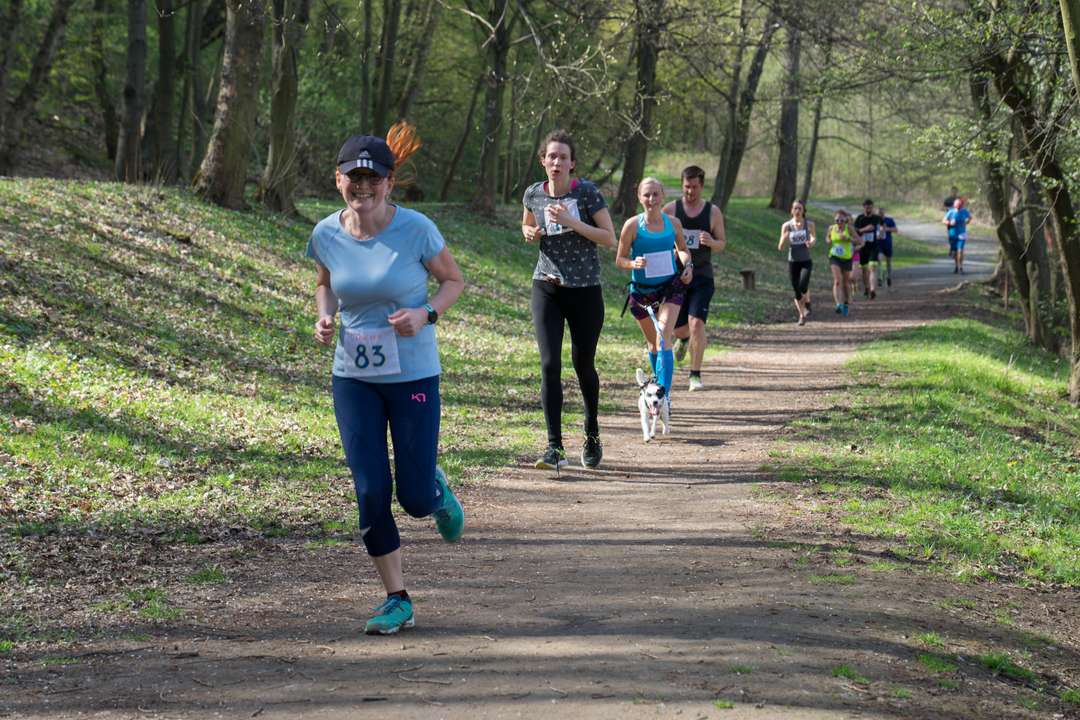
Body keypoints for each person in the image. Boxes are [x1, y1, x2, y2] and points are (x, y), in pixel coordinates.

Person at [308, 123, 466, 636]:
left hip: (413, 373)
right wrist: (325, 315)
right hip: (353, 377)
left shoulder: (416, 230)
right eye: (353, 177)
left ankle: (434, 490)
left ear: (389, 183)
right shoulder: (325, 234)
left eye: (372, 178)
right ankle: (397, 598)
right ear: (338, 180)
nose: (362, 187)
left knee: (413, 499)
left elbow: (453, 280)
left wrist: (426, 314)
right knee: (370, 489)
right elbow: (326, 284)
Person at [521, 130, 616, 471]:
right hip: (547, 286)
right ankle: (554, 447)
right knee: (549, 364)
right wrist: (529, 233)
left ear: (572, 163)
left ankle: (591, 431)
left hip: (585, 290)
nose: (557, 162)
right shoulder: (534, 193)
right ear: (543, 161)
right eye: (552, 156)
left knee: (583, 364)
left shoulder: (587, 193)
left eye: (563, 157)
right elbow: (527, 225)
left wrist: (572, 222)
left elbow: (609, 238)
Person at [618, 177, 693, 404]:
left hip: (670, 287)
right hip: (642, 292)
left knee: (663, 338)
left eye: (655, 194)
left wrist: (688, 265)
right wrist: (633, 263)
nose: (651, 199)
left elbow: (683, 249)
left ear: (662, 196)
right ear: (639, 198)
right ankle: (658, 389)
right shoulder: (632, 225)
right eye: (646, 195)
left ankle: (664, 397)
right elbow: (620, 259)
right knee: (653, 345)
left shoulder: (673, 223)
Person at [663, 165, 726, 391]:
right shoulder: (671, 209)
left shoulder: (712, 212)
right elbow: (659, 236)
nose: (690, 191)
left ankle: (695, 375)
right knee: (679, 329)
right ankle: (683, 340)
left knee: (696, 323)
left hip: (702, 277)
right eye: (687, 187)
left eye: (695, 187)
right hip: (677, 277)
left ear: (702, 186)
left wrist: (711, 242)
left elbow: (722, 243)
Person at [778, 200, 816, 326]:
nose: (797, 211)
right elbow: (780, 247)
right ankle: (801, 315)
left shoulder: (809, 224)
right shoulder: (786, 226)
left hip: (806, 261)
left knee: (803, 285)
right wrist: (784, 238)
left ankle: (807, 303)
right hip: (793, 262)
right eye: (795, 208)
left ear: (803, 210)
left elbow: (813, 237)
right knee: (796, 290)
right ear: (791, 211)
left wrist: (811, 242)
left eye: (800, 208)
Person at [827, 210, 861, 316]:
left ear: (845, 220)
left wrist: (849, 239)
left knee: (846, 283)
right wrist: (828, 241)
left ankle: (846, 303)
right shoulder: (831, 228)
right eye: (837, 220)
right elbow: (827, 238)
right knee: (837, 280)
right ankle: (838, 304)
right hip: (834, 257)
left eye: (841, 220)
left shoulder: (849, 229)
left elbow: (859, 241)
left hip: (846, 258)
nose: (839, 222)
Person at [853, 199, 881, 300]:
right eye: (866, 207)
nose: (868, 209)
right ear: (863, 207)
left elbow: (873, 227)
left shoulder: (876, 218)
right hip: (862, 247)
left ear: (872, 207)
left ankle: (873, 290)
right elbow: (855, 231)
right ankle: (867, 288)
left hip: (873, 247)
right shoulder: (859, 218)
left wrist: (861, 230)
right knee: (864, 270)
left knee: (872, 268)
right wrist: (862, 230)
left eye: (870, 207)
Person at [943, 197, 973, 274]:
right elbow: (944, 220)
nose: (958, 208)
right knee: (955, 252)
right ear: (955, 206)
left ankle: (961, 267)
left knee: (960, 250)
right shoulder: (951, 212)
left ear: (962, 206)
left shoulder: (964, 211)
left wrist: (967, 221)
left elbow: (970, 217)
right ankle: (956, 266)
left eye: (960, 206)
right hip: (953, 234)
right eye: (957, 207)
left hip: (962, 234)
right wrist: (950, 223)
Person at [877, 206, 898, 286]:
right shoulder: (875, 221)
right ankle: (880, 278)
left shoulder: (889, 220)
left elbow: (895, 230)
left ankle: (889, 276)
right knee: (879, 259)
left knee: (888, 261)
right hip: (879, 244)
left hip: (888, 243)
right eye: (879, 212)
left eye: (882, 212)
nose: (881, 214)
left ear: (884, 212)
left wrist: (887, 229)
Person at [943, 186, 959, 258]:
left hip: (958, 220)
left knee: (957, 235)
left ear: (957, 192)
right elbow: (943, 207)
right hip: (949, 219)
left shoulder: (958, 199)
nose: (954, 192)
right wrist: (950, 208)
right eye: (953, 191)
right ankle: (951, 249)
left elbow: (962, 208)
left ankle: (956, 250)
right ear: (951, 191)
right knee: (951, 236)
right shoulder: (948, 199)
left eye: (955, 191)